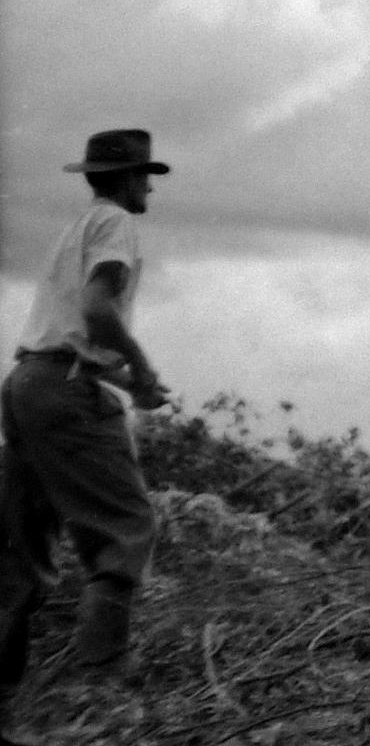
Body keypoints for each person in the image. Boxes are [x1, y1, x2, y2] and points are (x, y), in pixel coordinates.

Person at [2, 130, 174, 700]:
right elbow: (97, 313)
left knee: (22, 540)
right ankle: (101, 680)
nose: (149, 185)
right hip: (64, 393)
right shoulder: (117, 225)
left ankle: (8, 687)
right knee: (127, 526)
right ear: (127, 178)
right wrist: (143, 369)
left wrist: (129, 383)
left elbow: (67, 337)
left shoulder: (73, 232)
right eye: (145, 174)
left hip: (28, 383)